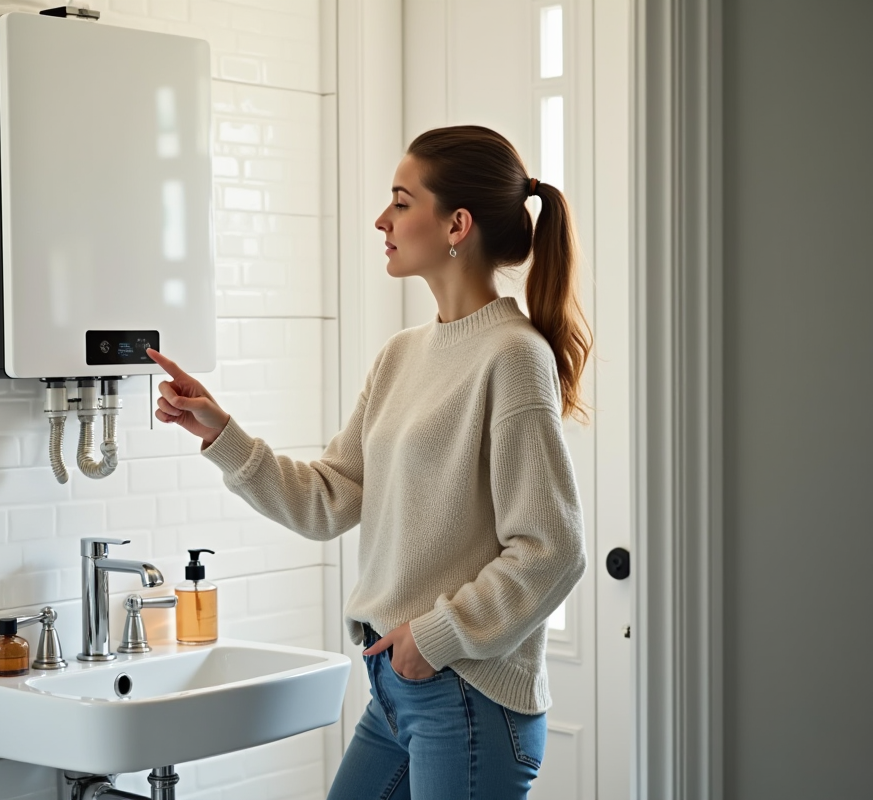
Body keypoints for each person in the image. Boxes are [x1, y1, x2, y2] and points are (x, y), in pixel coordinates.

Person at [146, 125, 590, 799]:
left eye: (402, 201)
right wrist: (222, 431)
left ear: (456, 224)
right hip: (396, 688)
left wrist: (436, 636)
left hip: (464, 696)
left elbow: (552, 550)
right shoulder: (402, 355)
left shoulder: (512, 356)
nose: (382, 219)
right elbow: (330, 499)